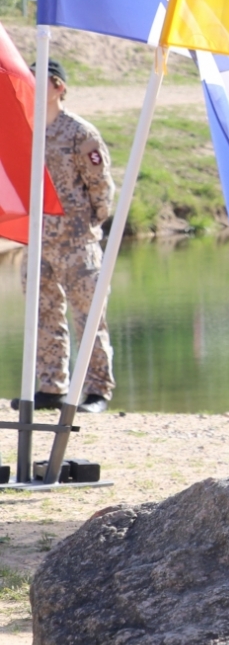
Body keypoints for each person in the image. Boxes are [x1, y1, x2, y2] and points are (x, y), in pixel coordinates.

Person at [13, 60, 116, 413]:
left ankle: (97, 390)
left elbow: (101, 188)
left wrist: (90, 224)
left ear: (58, 86)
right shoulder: (26, 131)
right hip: (38, 239)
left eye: (40, 81)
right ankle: (51, 386)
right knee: (43, 314)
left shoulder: (79, 133)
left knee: (89, 315)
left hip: (77, 241)